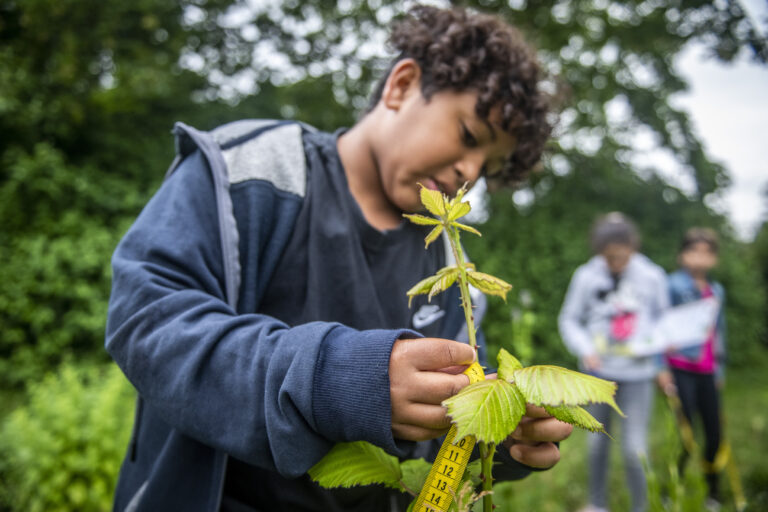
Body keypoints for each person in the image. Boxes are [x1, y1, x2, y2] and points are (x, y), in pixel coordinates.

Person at [105, 6, 573, 512]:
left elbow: (431, 436)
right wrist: (336, 381)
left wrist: (494, 436)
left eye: (489, 166)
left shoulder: (451, 270)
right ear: (402, 86)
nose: (471, 172)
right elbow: (147, 320)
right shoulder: (252, 170)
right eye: (469, 136)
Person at [558, 212, 669, 512]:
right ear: (599, 251)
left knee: (635, 449)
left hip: (638, 375)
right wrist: (584, 348)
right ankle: (597, 504)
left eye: (622, 256)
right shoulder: (585, 275)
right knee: (596, 444)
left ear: (633, 247)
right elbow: (569, 319)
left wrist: (654, 349)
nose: (616, 262)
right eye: (609, 258)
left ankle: (642, 506)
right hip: (598, 375)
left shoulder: (652, 275)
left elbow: (664, 321)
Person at [658, 227, 726, 507]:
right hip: (680, 368)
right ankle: (671, 488)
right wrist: (661, 368)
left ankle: (713, 492)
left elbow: (719, 332)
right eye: (694, 251)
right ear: (682, 255)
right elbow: (659, 326)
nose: (700, 258)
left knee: (715, 432)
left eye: (706, 252)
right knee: (685, 433)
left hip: (708, 371)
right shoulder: (671, 285)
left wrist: (720, 369)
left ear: (715, 258)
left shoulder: (717, 290)